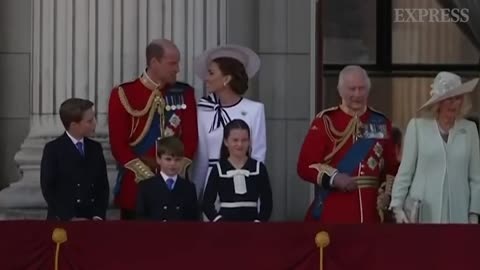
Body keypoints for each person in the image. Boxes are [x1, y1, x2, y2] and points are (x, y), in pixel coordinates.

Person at [108, 39, 198, 220]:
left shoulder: (184, 93)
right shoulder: (124, 94)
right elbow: (118, 146)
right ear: (154, 62)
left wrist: (172, 172)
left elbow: (191, 139)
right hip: (137, 188)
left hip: (175, 189)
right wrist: (149, 178)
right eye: (172, 63)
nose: (178, 69)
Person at [297, 65, 398, 224]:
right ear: (340, 90)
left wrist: (386, 195)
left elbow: (391, 168)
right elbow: (305, 165)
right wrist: (334, 178)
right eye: (352, 89)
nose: (357, 94)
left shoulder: (380, 122)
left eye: (362, 88)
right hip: (335, 209)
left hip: (371, 213)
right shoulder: (326, 121)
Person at [390, 72, 480, 224]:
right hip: (423, 212)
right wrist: (397, 206)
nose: (454, 103)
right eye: (449, 99)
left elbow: (476, 178)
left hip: (459, 214)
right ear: (438, 102)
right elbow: (405, 172)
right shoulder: (418, 127)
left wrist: (474, 214)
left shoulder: (470, 129)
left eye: (458, 98)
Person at [192, 44, 266, 200]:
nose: (207, 78)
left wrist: (257, 194)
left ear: (226, 78)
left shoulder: (255, 110)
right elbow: (201, 160)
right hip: (212, 187)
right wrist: (195, 195)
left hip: (244, 183)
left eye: (211, 73)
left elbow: (258, 156)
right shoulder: (203, 111)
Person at [40, 98, 110, 221]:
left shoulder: (95, 148)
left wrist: (98, 215)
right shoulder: (53, 150)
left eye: (94, 118)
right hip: (63, 221)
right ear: (74, 125)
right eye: (89, 121)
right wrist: (69, 217)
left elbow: (103, 186)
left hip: (92, 220)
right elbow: (48, 189)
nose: (95, 123)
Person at [202, 119, 272, 222]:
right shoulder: (218, 169)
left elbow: (267, 202)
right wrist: (218, 220)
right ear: (226, 141)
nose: (240, 144)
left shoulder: (258, 168)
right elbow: (207, 202)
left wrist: (259, 221)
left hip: (252, 226)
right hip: (226, 228)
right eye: (235, 140)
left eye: (244, 140)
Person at [136, 136, 198, 221]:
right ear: (158, 159)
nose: (173, 164)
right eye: (168, 159)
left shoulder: (189, 188)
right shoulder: (146, 187)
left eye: (177, 160)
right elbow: (141, 220)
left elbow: (193, 221)